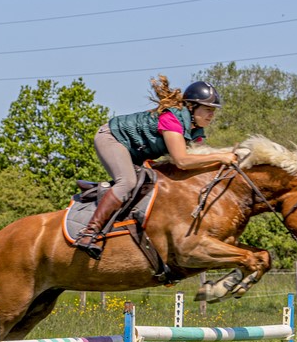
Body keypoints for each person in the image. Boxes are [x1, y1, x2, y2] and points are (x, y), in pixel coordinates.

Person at [74, 75, 238, 259]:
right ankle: (89, 233)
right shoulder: (172, 119)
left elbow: (198, 161)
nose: (211, 115)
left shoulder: (194, 130)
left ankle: (109, 203)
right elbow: (182, 160)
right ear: (191, 107)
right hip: (112, 137)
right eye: (207, 109)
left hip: (134, 151)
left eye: (213, 111)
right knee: (127, 182)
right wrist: (221, 156)